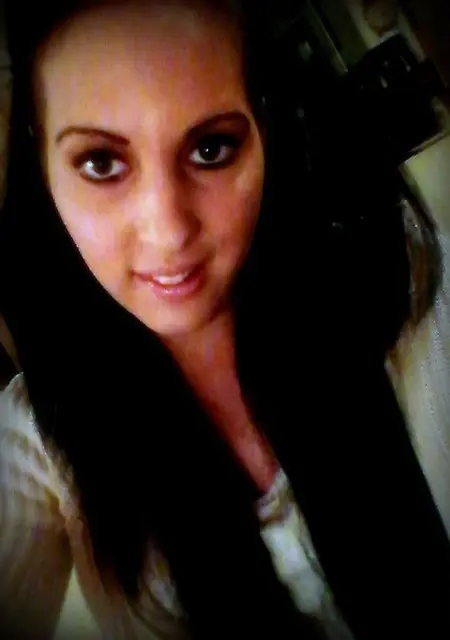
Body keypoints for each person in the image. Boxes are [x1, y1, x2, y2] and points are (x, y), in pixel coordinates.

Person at [0, 1, 449, 639]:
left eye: (211, 148)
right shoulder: (38, 443)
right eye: (101, 162)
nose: (168, 232)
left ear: (265, 132)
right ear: (43, 169)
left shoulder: (395, 272)